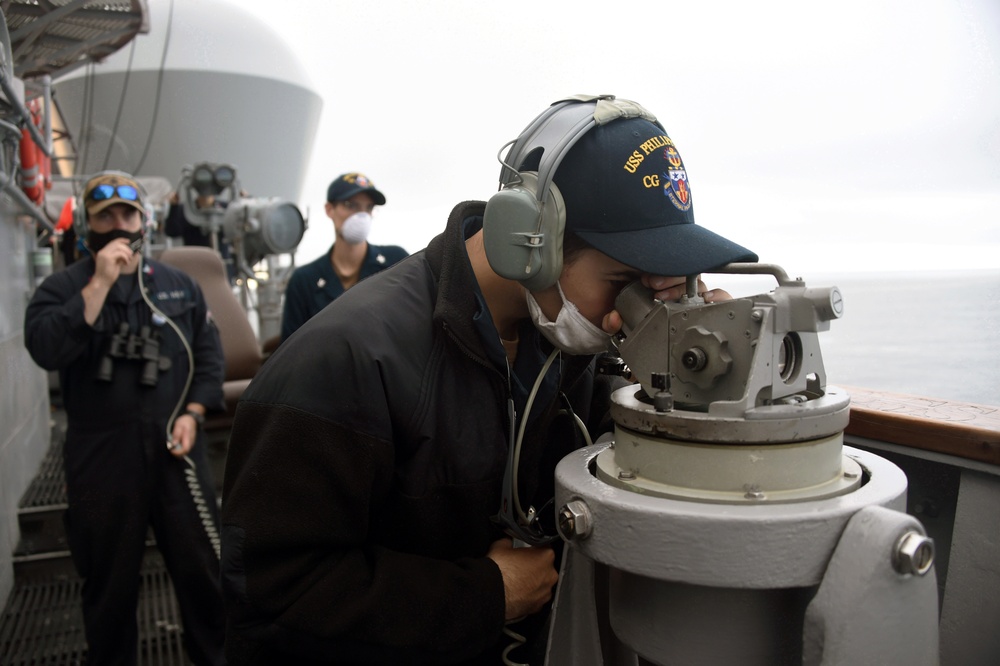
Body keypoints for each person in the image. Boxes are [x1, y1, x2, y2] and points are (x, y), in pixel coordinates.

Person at [220, 95, 758, 664]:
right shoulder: (345, 359)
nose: (625, 314)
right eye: (624, 280)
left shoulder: (563, 340)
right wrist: (482, 596)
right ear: (528, 242)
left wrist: (691, 378)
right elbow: (270, 594)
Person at [24, 171, 228, 666]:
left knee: (205, 575)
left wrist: (195, 413)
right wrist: (99, 283)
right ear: (87, 226)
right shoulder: (61, 289)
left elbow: (209, 355)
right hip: (102, 459)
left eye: (128, 215)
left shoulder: (177, 287)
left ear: (145, 221)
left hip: (176, 451)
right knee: (109, 587)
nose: (118, 225)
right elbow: (46, 348)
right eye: (105, 216)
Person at [279, 172, 407, 341]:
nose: (361, 216)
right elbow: (290, 351)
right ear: (329, 210)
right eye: (351, 205)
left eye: (368, 208)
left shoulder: (395, 263)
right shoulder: (304, 280)